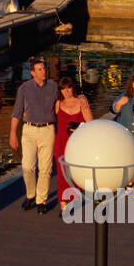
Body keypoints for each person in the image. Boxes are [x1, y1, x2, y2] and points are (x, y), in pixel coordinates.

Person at [10, 57, 59, 214]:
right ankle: (31, 194)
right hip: (29, 130)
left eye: (44, 68)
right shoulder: (24, 88)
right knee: (27, 166)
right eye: (39, 69)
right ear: (32, 73)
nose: (43, 71)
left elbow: (62, 103)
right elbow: (17, 112)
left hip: (48, 129)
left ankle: (41, 200)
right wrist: (13, 134)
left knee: (45, 168)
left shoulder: (53, 86)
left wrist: (82, 98)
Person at [53, 77, 93, 206]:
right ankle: (63, 203)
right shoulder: (58, 103)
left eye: (69, 87)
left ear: (73, 88)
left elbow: (90, 124)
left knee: (75, 172)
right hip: (61, 142)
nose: (66, 91)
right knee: (61, 172)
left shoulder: (82, 102)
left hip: (77, 144)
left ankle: (74, 199)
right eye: (63, 88)